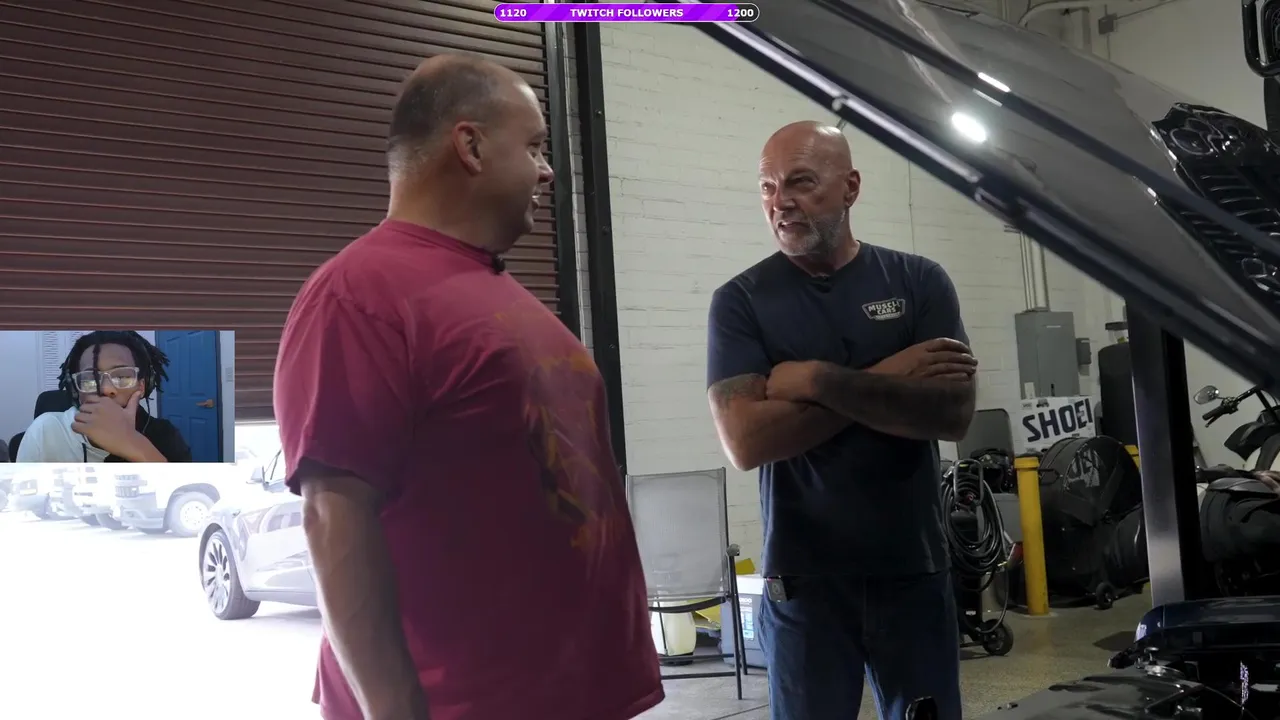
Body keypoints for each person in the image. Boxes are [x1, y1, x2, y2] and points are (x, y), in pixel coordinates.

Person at [273, 54, 662, 720]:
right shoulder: (358, 295)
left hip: (569, 694)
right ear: (471, 146)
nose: (546, 170)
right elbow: (334, 516)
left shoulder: (495, 289)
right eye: (534, 146)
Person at [706, 121, 978, 720]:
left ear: (850, 187)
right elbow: (747, 441)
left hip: (911, 570)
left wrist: (816, 381)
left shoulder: (918, 281)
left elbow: (952, 414)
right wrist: (893, 376)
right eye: (768, 186)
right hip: (804, 581)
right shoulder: (741, 301)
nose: (780, 201)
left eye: (801, 182)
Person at [17, 330, 192, 464]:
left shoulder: (164, 434)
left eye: (122, 377)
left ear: (141, 385)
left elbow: (186, 496)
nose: (106, 389)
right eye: (90, 378)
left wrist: (134, 445)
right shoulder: (46, 431)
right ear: (77, 390)